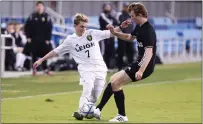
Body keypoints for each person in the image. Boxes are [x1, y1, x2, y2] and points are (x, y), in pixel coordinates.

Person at [33, 13, 114, 120]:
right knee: (87, 89)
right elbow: (56, 51)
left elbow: (111, 33)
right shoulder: (70, 40)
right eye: (81, 26)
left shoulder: (92, 33)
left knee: (94, 97)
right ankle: (82, 111)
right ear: (75, 26)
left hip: (100, 68)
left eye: (85, 26)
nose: (84, 29)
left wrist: (121, 27)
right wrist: (41, 60)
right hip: (86, 69)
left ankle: (86, 111)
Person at [93, 2, 157, 122]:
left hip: (144, 65)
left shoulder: (148, 30)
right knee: (113, 79)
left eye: (133, 16)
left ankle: (121, 115)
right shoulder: (139, 27)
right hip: (139, 62)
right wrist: (115, 33)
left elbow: (149, 53)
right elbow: (129, 37)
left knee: (116, 83)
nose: (131, 19)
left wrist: (141, 70)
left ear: (141, 14)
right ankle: (98, 110)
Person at [24, 1, 53, 76]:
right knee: (34, 55)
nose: (39, 7)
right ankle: (34, 69)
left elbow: (49, 28)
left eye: (41, 6)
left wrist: (48, 39)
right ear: (36, 7)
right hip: (34, 39)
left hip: (44, 40)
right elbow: (27, 27)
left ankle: (45, 69)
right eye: (38, 6)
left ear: (43, 7)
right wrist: (28, 37)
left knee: (45, 55)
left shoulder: (47, 16)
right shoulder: (32, 16)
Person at [99, 3, 118, 69]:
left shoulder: (111, 15)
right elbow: (108, 22)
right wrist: (112, 22)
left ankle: (110, 67)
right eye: (106, 7)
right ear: (104, 8)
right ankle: (102, 67)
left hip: (110, 36)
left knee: (111, 51)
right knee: (103, 51)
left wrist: (113, 21)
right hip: (103, 36)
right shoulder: (102, 15)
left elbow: (116, 22)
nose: (108, 8)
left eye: (109, 7)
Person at [117, 2, 134, 70]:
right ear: (123, 7)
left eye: (128, 7)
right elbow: (117, 24)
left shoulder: (130, 15)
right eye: (126, 7)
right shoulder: (120, 14)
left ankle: (131, 66)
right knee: (121, 52)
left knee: (130, 52)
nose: (127, 8)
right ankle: (120, 67)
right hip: (122, 36)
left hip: (129, 36)